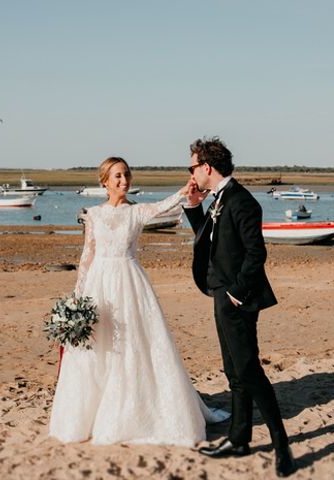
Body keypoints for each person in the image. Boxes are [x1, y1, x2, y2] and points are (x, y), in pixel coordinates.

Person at [49, 156, 226, 447]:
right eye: (117, 176)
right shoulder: (93, 214)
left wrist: (185, 190)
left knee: (134, 345)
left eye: (127, 175)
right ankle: (87, 418)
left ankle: (135, 413)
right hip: (98, 285)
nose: (124, 181)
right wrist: (77, 296)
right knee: (98, 348)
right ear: (104, 181)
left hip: (130, 283)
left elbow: (164, 206)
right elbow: (87, 256)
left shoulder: (137, 212)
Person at [183, 137, 297, 477]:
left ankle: (282, 446)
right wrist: (193, 207)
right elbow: (211, 240)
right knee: (233, 371)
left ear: (206, 166)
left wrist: (236, 292)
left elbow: (256, 254)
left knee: (249, 371)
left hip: (238, 296)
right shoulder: (218, 198)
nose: (191, 173)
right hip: (220, 291)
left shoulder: (242, 201)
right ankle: (239, 438)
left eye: (192, 167)